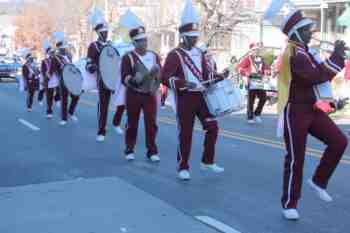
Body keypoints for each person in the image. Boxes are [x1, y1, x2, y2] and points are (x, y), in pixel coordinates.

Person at [277, 9, 348, 220]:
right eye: (308, 30)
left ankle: (319, 180)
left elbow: (320, 75)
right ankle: (289, 203)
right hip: (294, 109)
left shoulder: (304, 51)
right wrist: (336, 56)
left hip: (311, 107)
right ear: (297, 32)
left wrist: (336, 56)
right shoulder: (292, 53)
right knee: (295, 159)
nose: (312, 33)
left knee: (339, 141)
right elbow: (315, 76)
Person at [161, 0, 224, 180]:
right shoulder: (175, 55)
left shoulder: (200, 53)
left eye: (196, 36)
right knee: (186, 133)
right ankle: (183, 166)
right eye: (191, 36)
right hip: (185, 98)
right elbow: (165, 77)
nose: (195, 39)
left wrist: (219, 76)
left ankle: (207, 161)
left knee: (212, 126)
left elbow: (207, 75)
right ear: (183, 36)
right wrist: (183, 83)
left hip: (201, 97)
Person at [120, 10, 161, 162]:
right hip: (134, 94)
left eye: (145, 39)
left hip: (149, 95)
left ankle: (152, 151)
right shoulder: (128, 58)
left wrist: (155, 86)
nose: (145, 43)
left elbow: (159, 76)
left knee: (151, 124)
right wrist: (134, 80)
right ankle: (129, 149)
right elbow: (124, 77)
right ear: (134, 43)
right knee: (132, 123)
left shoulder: (154, 56)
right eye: (141, 41)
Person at [86, 8, 112, 142]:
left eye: (106, 31)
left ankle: (118, 122)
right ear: (98, 33)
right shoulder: (93, 46)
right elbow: (89, 65)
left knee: (125, 101)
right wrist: (96, 66)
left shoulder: (110, 45)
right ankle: (101, 130)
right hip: (102, 79)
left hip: (115, 78)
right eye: (103, 32)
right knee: (103, 104)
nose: (105, 34)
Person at [49, 31, 80, 125]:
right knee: (64, 99)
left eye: (65, 48)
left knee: (76, 96)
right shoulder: (55, 58)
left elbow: (71, 65)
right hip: (62, 79)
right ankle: (64, 118)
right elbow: (52, 70)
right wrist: (47, 79)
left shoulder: (69, 56)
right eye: (62, 48)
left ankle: (70, 112)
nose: (64, 49)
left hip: (71, 79)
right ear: (58, 48)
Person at [236, 43, 270, 124]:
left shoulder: (261, 59)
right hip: (251, 81)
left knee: (263, 98)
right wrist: (247, 73)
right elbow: (238, 68)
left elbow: (267, 68)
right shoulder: (247, 59)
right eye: (254, 50)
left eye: (257, 50)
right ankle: (250, 117)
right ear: (251, 51)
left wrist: (267, 72)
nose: (256, 51)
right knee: (251, 100)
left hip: (260, 81)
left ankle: (257, 113)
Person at [41, 39, 59, 119]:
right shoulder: (44, 61)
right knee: (49, 97)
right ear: (48, 54)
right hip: (49, 80)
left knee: (61, 91)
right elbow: (43, 72)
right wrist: (44, 79)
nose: (53, 54)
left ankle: (57, 98)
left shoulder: (57, 60)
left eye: (53, 52)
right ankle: (49, 111)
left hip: (57, 79)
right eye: (51, 53)